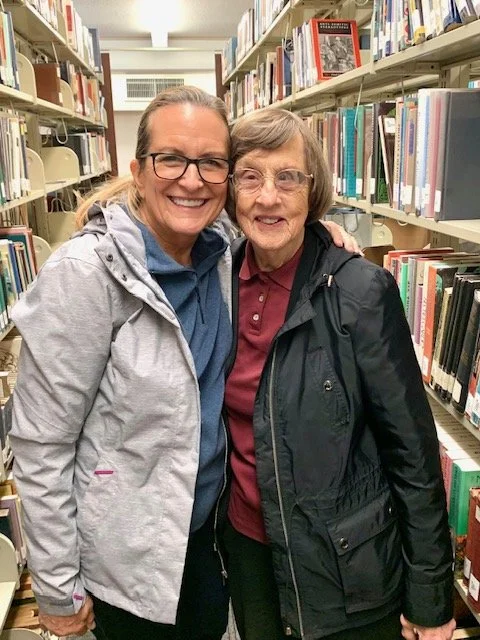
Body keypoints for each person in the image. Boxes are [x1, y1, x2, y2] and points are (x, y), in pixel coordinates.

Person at [8, 87, 355, 640]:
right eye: (171, 158)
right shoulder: (85, 276)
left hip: (207, 540)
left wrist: (321, 238)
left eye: (212, 163)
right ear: (139, 169)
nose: (191, 180)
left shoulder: (220, 249)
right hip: (126, 562)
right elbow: (41, 444)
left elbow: (275, 213)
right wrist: (56, 585)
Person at [222, 108, 456, 640]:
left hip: (345, 569)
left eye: (288, 178)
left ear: (313, 191)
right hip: (250, 552)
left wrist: (430, 595)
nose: (267, 197)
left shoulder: (361, 294)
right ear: (230, 189)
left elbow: (412, 454)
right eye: (250, 177)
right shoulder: (216, 281)